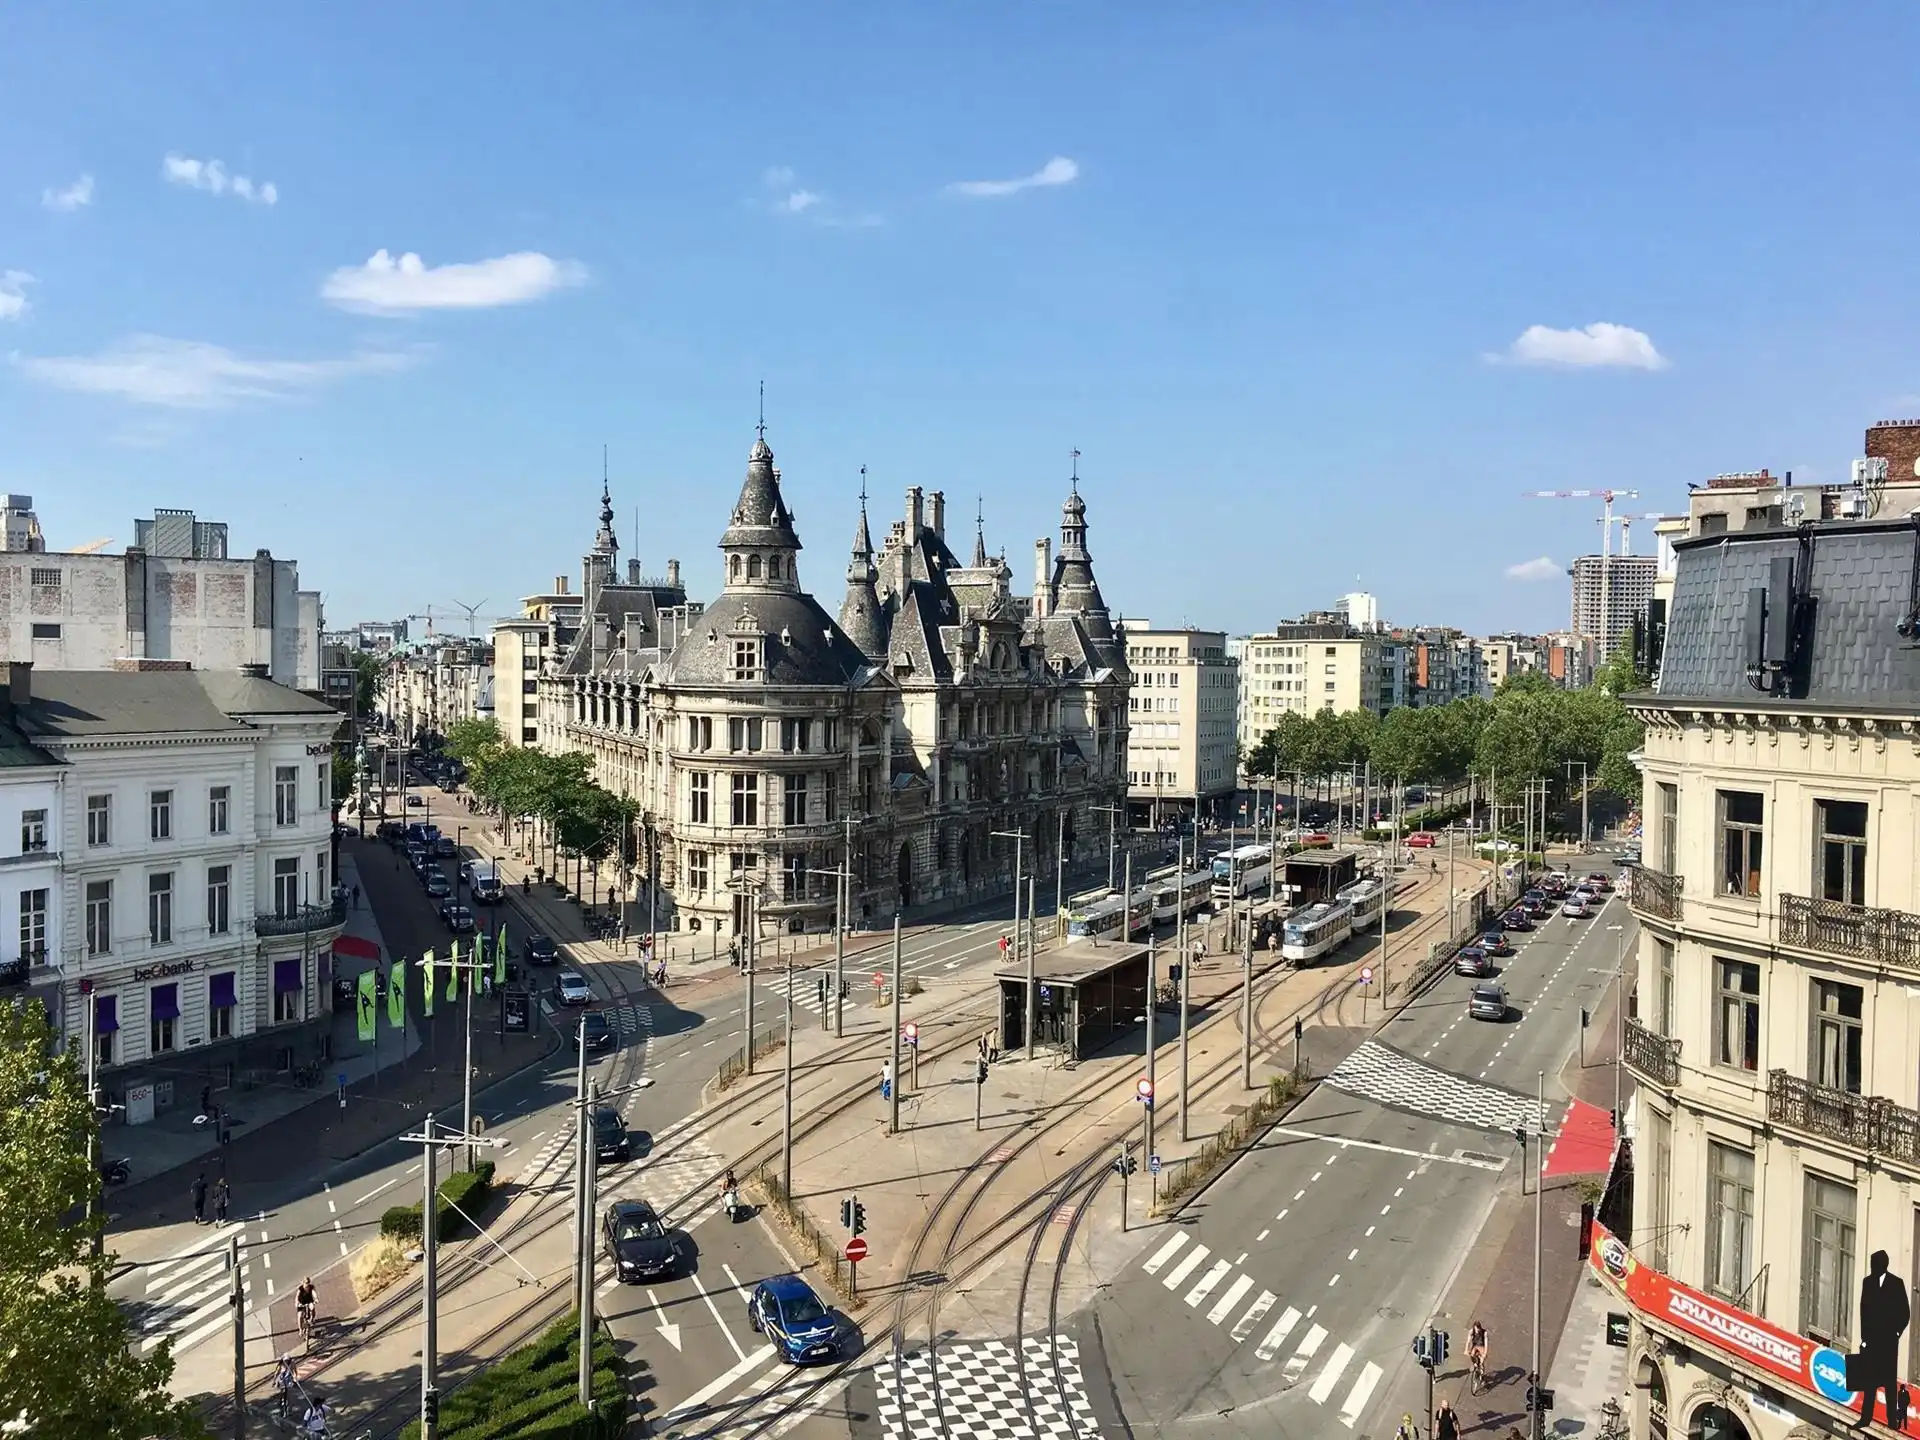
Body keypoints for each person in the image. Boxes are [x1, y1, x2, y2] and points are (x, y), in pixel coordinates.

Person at [1857, 1249, 1911, 1428]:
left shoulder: (1896, 1283)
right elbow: (1863, 1311)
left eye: (1875, 1264)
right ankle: (1866, 1418)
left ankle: (1891, 1421)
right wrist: (1864, 1338)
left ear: (1883, 1265)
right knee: (1869, 1382)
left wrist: (1896, 1332)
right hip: (1871, 1342)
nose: (1872, 1267)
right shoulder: (1868, 1282)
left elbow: (1905, 1312)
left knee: (1889, 1382)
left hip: (1888, 1342)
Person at [1468, 1318, 1488, 1391]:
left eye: (1478, 1329)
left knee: (1482, 1362)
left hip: (1481, 1346)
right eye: (1476, 1329)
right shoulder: (1471, 1331)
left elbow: (1486, 1344)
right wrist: (1466, 1349)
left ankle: (1482, 1376)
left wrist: (1485, 1353)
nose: (1477, 1331)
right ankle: (1474, 1364)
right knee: (1472, 1354)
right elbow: (1468, 1341)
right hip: (1475, 1346)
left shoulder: (1484, 1332)